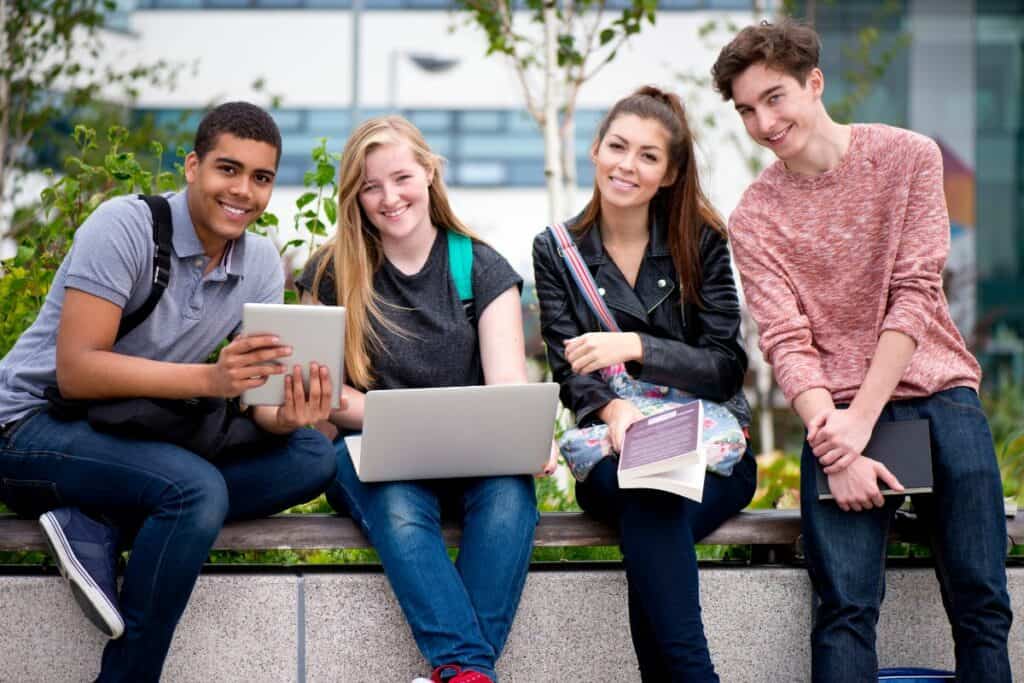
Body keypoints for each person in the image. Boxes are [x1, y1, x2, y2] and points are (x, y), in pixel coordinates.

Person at [712, 19, 1013, 682]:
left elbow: (914, 294)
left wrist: (858, 425)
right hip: (836, 413)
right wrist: (836, 440)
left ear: (814, 83)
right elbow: (786, 341)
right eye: (746, 111)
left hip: (937, 400)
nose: (763, 123)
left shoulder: (909, 157)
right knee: (844, 608)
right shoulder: (755, 216)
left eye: (775, 98)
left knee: (982, 603)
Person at [0, 102, 338, 682]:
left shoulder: (258, 263)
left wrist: (283, 416)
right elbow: (77, 371)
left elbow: (248, 402)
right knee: (193, 491)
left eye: (261, 178)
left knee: (311, 456)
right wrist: (211, 379)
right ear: (191, 167)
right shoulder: (125, 227)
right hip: (28, 429)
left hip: (122, 432)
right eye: (227, 170)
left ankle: (95, 522)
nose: (243, 191)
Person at [295, 115, 554, 683]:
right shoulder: (331, 272)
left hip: (471, 459)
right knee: (397, 506)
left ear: (430, 173)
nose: (389, 198)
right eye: (369, 186)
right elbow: (322, 390)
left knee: (512, 498)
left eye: (401, 177)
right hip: (372, 458)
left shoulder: (478, 267)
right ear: (354, 196)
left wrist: (525, 437)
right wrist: (389, 414)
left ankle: (463, 673)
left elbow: (506, 386)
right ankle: (470, 671)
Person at [532, 86, 758, 682]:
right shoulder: (557, 250)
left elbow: (726, 367)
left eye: (648, 156)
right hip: (615, 451)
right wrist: (612, 414)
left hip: (711, 454)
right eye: (617, 147)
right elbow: (567, 369)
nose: (627, 166)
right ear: (595, 150)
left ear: (670, 172)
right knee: (649, 500)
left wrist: (635, 347)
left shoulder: (702, 241)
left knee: (651, 515)